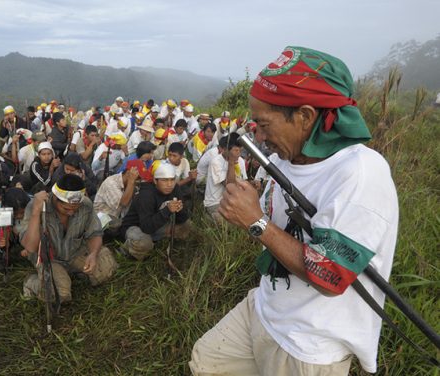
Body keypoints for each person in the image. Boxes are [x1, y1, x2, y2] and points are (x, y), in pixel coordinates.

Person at [190, 46, 398, 376]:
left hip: (309, 345)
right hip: (265, 308)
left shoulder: (360, 174)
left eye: (263, 123)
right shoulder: (282, 159)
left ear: (304, 116)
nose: (257, 135)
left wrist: (255, 221)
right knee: (205, 362)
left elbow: (331, 277)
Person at [20, 174, 118, 303]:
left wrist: (93, 254)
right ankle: (32, 283)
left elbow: (94, 233)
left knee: (105, 271)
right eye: (66, 208)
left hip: (75, 251)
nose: (71, 212)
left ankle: (71, 273)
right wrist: (36, 212)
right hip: (49, 258)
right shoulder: (38, 206)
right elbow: (30, 247)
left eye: (75, 208)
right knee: (61, 294)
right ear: (55, 198)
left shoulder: (85, 204)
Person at [119, 162, 190, 260]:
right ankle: (126, 250)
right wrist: (167, 210)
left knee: (186, 226)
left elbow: (182, 219)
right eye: (164, 180)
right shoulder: (146, 195)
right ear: (155, 181)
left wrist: (180, 210)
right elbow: (146, 227)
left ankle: (158, 242)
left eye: (172, 180)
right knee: (144, 243)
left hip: (156, 224)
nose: (169, 184)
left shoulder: (175, 188)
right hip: (136, 226)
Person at [202, 134, 246, 224]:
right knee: (229, 225)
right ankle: (209, 216)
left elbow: (243, 182)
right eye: (236, 150)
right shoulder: (216, 162)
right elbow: (229, 186)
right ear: (226, 149)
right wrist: (231, 163)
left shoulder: (241, 160)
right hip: (216, 202)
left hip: (233, 200)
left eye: (240, 150)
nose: (238, 154)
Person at [0, 187, 30, 272]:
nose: (20, 216)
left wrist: (29, 247)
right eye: (16, 214)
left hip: (24, 236)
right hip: (6, 239)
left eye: (23, 212)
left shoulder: (31, 204)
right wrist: (1, 242)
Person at [93, 161, 145, 235]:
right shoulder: (111, 182)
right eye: (138, 178)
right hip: (101, 217)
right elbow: (124, 203)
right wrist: (131, 181)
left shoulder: (132, 184)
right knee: (117, 224)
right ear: (128, 174)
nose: (138, 181)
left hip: (118, 216)